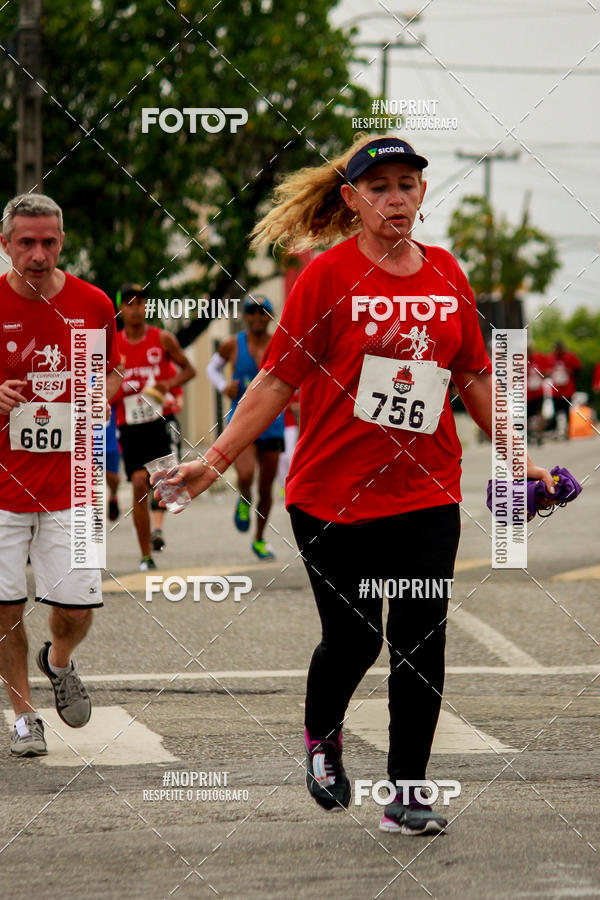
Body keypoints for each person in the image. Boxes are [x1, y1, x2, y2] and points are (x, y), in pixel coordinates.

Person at [155, 135, 555, 834]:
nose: (396, 198)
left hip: (427, 491)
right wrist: (213, 459)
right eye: (380, 187)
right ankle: (322, 737)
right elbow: (277, 379)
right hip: (331, 496)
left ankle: (408, 792)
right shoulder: (326, 278)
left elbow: (473, 376)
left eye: (408, 184)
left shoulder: (447, 274)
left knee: (421, 639)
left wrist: (518, 460)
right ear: (352, 199)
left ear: (422, 194)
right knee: (355, 640)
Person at [0, 193, 121, 757]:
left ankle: (59, 660)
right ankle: (23, 714)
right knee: (3, 605)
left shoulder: (93, 304)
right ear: (6, 246)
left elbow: (114, 375)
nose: (38, 254)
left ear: (61, 243)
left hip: (75, 483)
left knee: (74, 609)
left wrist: (98, 397)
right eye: (26, 243)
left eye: (48, 242)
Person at [111, 284, 196, 570]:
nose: (136, 309)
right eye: (130, 304)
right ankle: (146, 554)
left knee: (168, 488)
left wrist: (167, 385)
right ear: (121, 309)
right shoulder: (113, 345)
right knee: (137, 483)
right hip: (130, 425)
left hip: (158, 423)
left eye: (141, 303)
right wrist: (114, 390)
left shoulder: (163, 339)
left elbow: (189, 370)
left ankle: (159, 529)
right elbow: (100, 383)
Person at [206, 296, 285, 560]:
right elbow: (211, 369)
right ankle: (243, 497)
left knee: (266, 487)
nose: (258, 317)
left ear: (270, 317)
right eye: (252, 312)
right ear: (245, 316)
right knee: (247, 472)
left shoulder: (281, 342)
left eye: (263, 312)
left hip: (273, 422)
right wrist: (222, 386)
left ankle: (260, 539)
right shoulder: (232, 344)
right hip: (242, 419)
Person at [150, 363, 184, 551]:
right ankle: (149, 528)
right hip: (139, 427)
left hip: (166, 423)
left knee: (164, 477)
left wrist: (171, 402)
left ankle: (157, 530)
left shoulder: (169, 368)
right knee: (142, 480)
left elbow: (180, 400)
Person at [546, 340, 581, 439]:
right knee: (556, 412)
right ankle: (557, 432)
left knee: (566, 411)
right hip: (556, 390)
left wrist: (571, 372)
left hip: (568, 389)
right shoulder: (550, 358)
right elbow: (545, 372)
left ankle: (567, 431)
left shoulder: (570, 357)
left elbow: (578, 370)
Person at [526, 344, 548, 446]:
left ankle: (539, 435)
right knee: (526, 416)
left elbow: (548, 372)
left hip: (538, 392)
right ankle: (528, 436)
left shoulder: (539, 358)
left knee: (539, 414)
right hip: (526, 394)